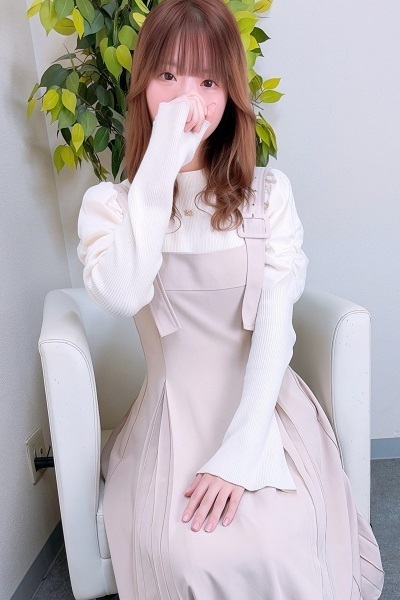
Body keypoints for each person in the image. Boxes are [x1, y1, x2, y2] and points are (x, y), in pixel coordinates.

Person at [76, 0, 384, 598]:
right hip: (172, 414)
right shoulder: (112, 206)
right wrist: (162, 163)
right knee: (190, 555)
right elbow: (123, 291)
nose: (187, 98)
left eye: (208, 81)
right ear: (142, 87)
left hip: (265, 405)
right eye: (168, 75)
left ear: (231, 95)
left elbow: (274, 330)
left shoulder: (269, 195)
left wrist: (240, 456)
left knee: (280, 542)